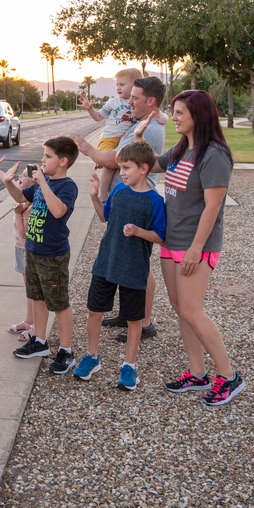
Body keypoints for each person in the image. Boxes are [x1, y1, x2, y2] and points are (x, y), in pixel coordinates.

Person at [134, 90, 244, 406]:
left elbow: (213, 206)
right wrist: (140, 136)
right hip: (172, 240)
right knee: (181, 307)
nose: (175, 117)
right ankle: (197, 373)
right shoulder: (183, 148)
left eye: (180, 112)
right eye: (174, 111)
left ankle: (229, 376)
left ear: (199, 114)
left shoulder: (214, 155)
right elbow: (153, 165)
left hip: (196, 245)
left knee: (193, 311)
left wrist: (197, 248)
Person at [73, 75, 166, 343]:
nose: (130, 101)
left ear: (150, 101)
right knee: (130, 259)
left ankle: (143, 322)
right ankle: (130, 315)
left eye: (135, 98)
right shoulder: (143, 121)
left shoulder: (148, 128)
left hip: (137, 202)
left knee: (139, 265)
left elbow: (114, 159)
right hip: (125, 197)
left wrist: (89, 149)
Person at [72, 140, 166, 390]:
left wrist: (138, 231)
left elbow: (159, 235)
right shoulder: (119, 192)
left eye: (126, 168)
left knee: (134, 318)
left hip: (134, 268)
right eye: (120, 168)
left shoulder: (155, 201)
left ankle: (129, 366)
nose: (121, 173)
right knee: (94, 310)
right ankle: (92, 357)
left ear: (143, 169)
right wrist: (94, 197)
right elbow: (105, 217)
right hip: (106, 262)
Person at [0, 136, 79, 374]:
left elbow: (59, 211)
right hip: (33, 250)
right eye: (43, 156)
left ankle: (66, 351)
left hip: (53, 255)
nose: (42, 161)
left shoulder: (66, 185)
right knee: (38, 298)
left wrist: (43, 183)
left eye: (48, 157)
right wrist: (9, 182)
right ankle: (39, 341)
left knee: (59, 303)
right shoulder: (43, 183)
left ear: (62, 161)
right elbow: (20, 197)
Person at [77, 67, 143, 201]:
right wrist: (90, 108)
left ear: (136, 85)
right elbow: (98, 117)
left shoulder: (137, 103)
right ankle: (103, 194)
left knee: (122, 164)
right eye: (117, 85)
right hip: (109, 138)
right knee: (110, 165)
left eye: (122, 84)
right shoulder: (113, 102)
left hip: (124, 139)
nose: (118, 87)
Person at [6, 169, 35, 343]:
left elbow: (24, 234)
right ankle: (29, 320)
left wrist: (18, 214)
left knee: (33, 290)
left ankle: (34, 326)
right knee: (29, 289)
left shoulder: (29, 206)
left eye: (24, 176)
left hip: (27, 250)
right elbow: (10, 183)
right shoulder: (23, 202)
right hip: (20, 248)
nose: (20, 177)